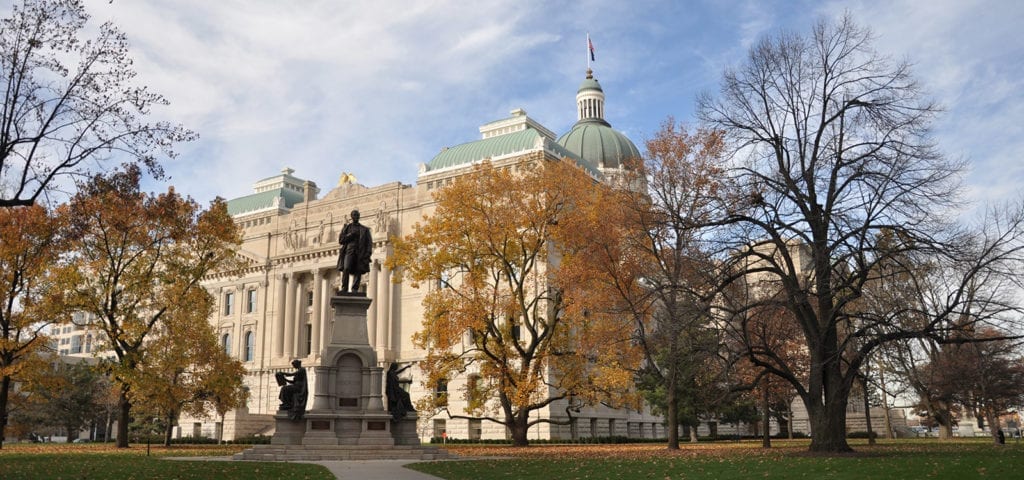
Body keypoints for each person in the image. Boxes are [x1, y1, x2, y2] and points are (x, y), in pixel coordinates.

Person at [336, 209, 372, 294]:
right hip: (349, 250)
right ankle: (344, 288)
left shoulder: (365, 229)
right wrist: (350, 235)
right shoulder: (347, 227)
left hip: (360, 252)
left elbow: (369, 243)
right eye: (354, 215)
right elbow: (341, 240)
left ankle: (355, 289)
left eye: (357, 215)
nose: (356, 216)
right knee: (346, 268)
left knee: (358, 270)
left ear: (359, 216)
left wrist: (368, 253)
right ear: (351, 217)